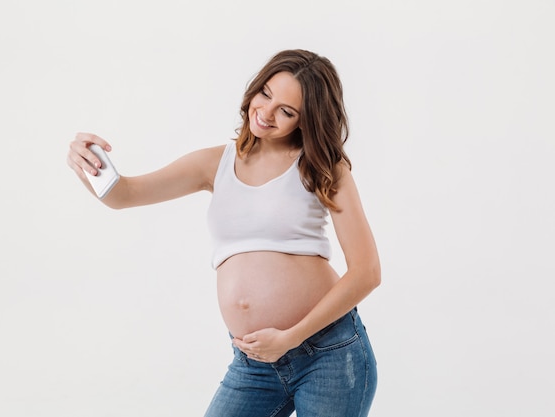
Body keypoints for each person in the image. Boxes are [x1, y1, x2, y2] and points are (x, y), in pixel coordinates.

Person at [67, 49, 380, 417]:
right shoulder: (214, 163)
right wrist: (88, 165)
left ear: (305, 120)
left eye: (287, 111)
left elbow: (367, 271)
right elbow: (123, 195)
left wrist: (290, 337)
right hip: (254, 363)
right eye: (265, 94)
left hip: (328, 353)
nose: (265, 113)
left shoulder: (322, 168)